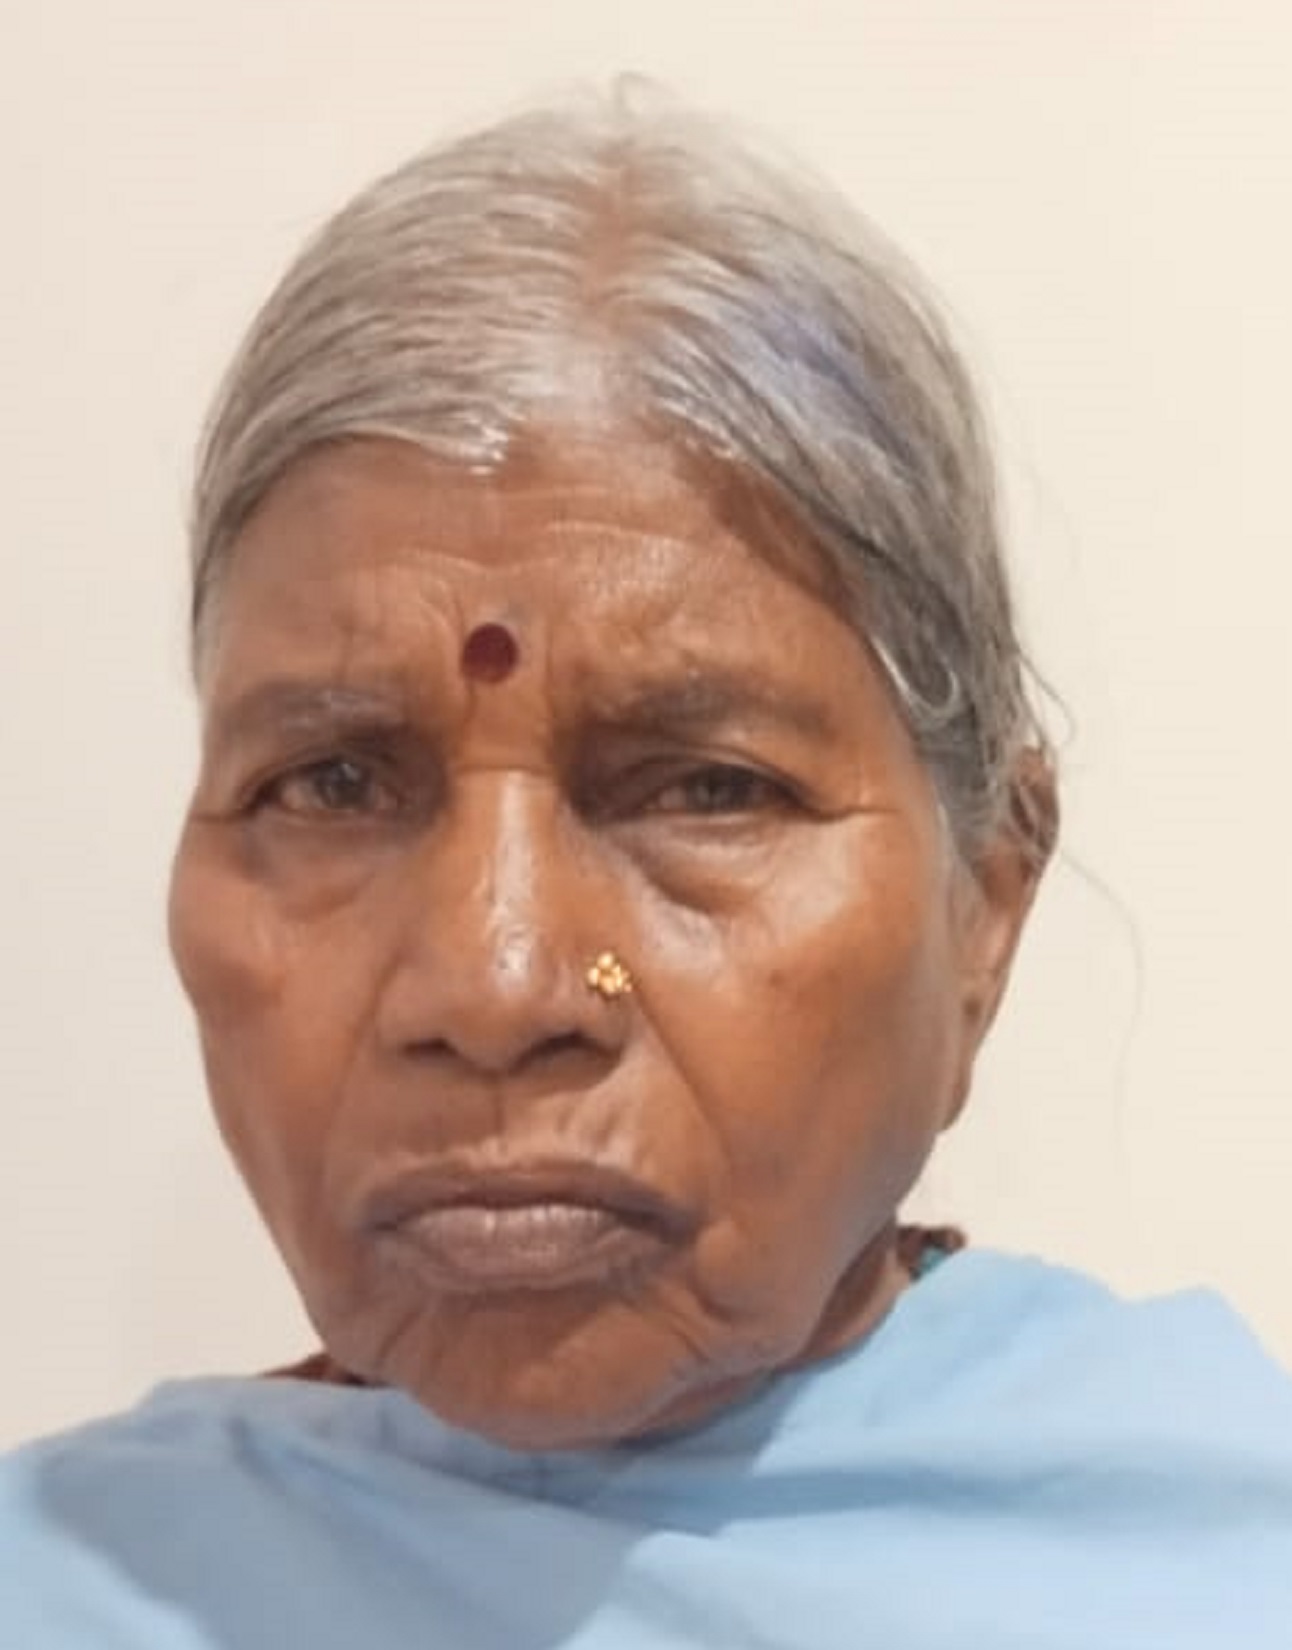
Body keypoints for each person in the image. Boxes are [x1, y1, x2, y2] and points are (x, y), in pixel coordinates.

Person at [3, 82, 1291, 1647]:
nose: (497, 986)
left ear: (988, 906)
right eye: (332, 782)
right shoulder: (69, 1582)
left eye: (706, 786)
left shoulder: (1233, 1566)